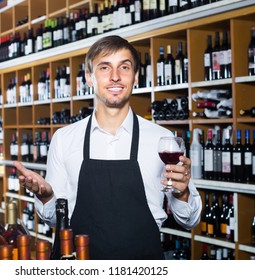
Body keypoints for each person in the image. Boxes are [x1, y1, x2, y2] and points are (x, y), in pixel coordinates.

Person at [14, 35, 202, 260]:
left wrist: (182, 193)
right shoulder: (64, 139)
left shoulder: (163, 140)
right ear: (89, 78)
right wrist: (47, 197)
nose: (115, 77)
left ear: (135, 77)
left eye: (124, 67)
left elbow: (189, 220)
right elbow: (54, 220)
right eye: (105, 67)